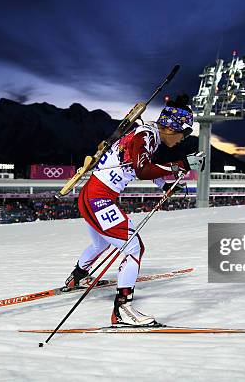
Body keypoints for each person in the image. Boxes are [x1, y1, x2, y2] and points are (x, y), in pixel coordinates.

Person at [63, 94, 205, 326]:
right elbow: (142, 170)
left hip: (93, 195)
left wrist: (165, 184)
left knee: (101, 244)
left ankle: (75, 279)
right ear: (171, 128)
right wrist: (181, 165)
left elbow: (141, 166)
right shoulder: (145, 136)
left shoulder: (149, 135)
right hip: (99, 199)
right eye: (184, 133)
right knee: (133, 248)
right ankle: (122, 310)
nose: (182, 139)